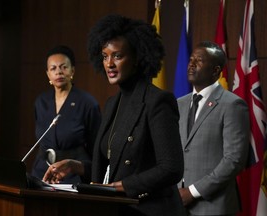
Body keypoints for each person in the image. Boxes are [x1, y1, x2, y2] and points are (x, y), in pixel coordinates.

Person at [43, 14, 185, 216]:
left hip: (150, 210)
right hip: (118, 209)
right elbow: (114, 165)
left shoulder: (158, 101)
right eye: (104, 56)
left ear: (137, 58)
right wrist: (76, 167)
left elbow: (171, 168)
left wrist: (122, 186)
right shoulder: (112, 104)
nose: (109, 63)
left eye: (117, 56)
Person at [177, 41, 250, 216]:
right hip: (177, 205)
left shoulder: (233, 105)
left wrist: (193, 191)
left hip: (213, 206)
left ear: (216, 70)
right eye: (191, 59)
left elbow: (234, 160)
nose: (191, 64)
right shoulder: (179, 104)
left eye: (199, 60)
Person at [31, 45, 101, 184]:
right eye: (53, 68)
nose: (59, 72)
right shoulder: (41, 102)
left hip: (73, 174)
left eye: (64, 67)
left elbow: (97, 148)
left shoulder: (87, 103)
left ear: (72, 70)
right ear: (48, 74)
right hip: (42, 171)